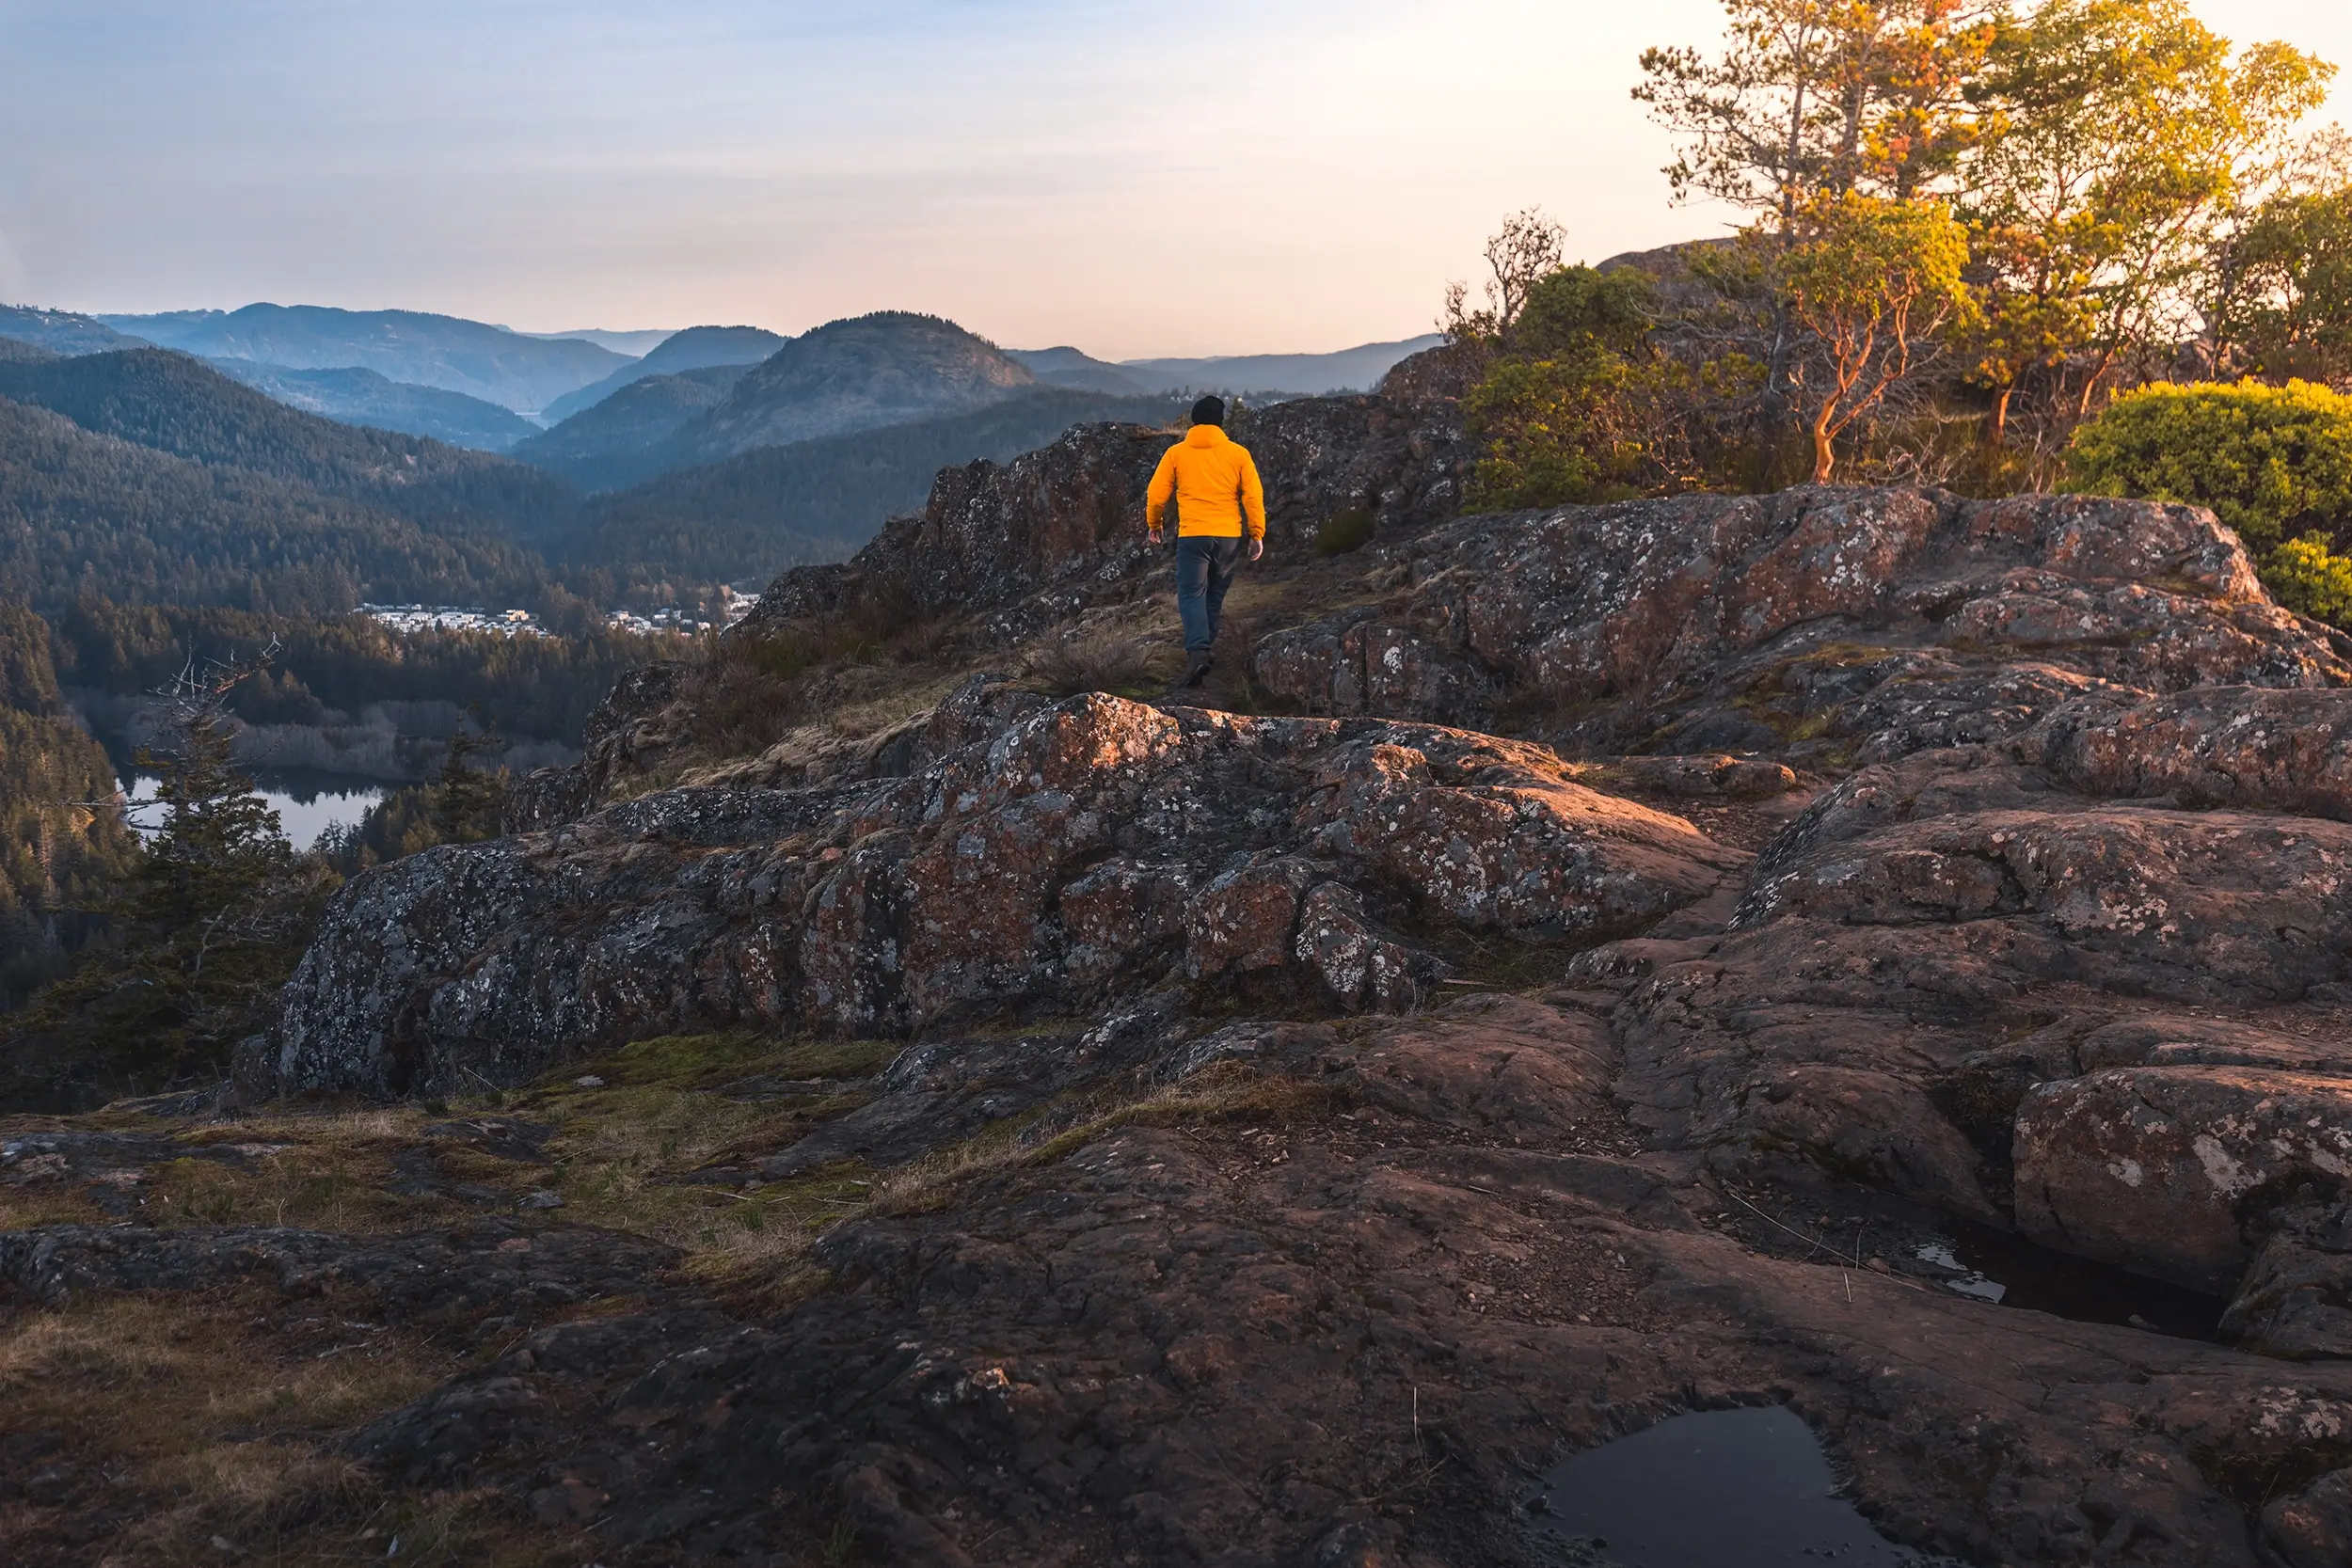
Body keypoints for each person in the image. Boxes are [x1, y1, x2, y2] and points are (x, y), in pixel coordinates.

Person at [1145, 395, 1265, 689]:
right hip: (1228, 538)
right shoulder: (1238, 454)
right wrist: (1257, 533)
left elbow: (1156, 494)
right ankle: (1204, 648)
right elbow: (1252, 496)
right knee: (1214, 594)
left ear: (1194, 421)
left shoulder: (1176, 453)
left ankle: (1198, 650)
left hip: (1193, 537)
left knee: (1191, 594)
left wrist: (1155, 524)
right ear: (1221, 422)